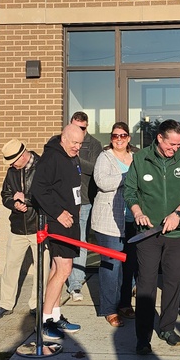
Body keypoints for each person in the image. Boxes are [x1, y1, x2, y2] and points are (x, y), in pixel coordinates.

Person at [124, 119, 180, 355]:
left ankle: (167, 328)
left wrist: (178, 213)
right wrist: (137, 212)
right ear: (160, 138)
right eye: (172, 144)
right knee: (146, 284)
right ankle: (143, 337)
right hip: (148, 234)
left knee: (173, 281)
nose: (176, 148)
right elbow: (130, 191)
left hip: (178, 233)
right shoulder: (140, 159)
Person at [31, 122, 86, 342]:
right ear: (63, 138)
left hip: (70, 221)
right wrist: (58, 213)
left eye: (80, 144)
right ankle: (45, 322)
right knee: (64, 270)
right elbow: (38, 189)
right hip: (58, 222)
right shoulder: (51, 158)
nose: (77, 147)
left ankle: (54, 315)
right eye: (74, 143)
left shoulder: (70, 156)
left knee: (57, 268)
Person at [0, 139, 46, 319]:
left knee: (41, 268)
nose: (11, 165)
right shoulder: (12, 171)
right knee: (10, 267)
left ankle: (37, 304)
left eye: (13, 161)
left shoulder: (43, 167)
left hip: (39, 227)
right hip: (17, 228)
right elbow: (5, 194)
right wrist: (14, 204)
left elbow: (48, 195)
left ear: (23, 156)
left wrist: (26, 200)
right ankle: (5, 303)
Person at [91, 122, 134, 327]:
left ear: (129, 138)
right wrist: (128, 177)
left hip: (132, 219)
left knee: (129, 265)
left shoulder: (135, 157)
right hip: (109, 221)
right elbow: (102, 182)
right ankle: (109, 308)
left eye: (123, 135)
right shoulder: (104, 157)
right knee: (111, 265)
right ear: (111, 138)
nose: (119, 139)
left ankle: (125, 303)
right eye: (115, 135)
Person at [67, 111, 103, 303]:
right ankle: (75, 284)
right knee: (74, 242)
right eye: (74, 127)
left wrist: (77, 158)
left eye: (81, 128)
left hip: (88, 200)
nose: (77, 131)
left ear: (86, 127)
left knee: (86, 242)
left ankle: (77, 282)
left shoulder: (93, 144)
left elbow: (97, 169)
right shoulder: (62, 141)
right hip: (67, 202)